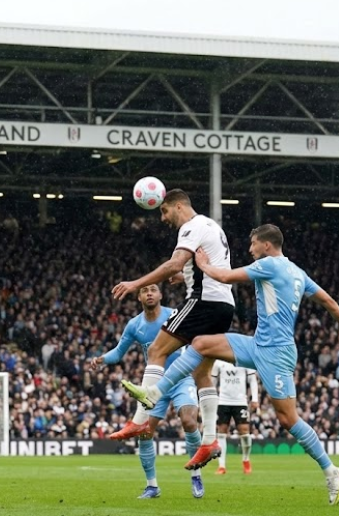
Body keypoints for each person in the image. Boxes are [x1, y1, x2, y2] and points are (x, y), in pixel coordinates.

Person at [128, 224, 339, 504]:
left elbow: (225, 277)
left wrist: (201, 264)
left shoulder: (270, 266)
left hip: (276, 352)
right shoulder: (298, 273)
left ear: (266, 245)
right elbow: (329, 302)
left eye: (253, 244)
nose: (249, 250)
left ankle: (331, 470)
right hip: (257, 344)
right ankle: (155, 391)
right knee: (201, 343)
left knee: (288, 419)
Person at [111, 189, 235, 470]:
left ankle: (138, 421)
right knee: (202, 372)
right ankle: (210, 441)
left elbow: (173, 263)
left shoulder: (191, 226)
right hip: (225, 305)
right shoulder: (212, 226)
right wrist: (188, 275)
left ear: (178, 206)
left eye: (164, 212)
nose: (164, 218)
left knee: (157, 350)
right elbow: (206, 264)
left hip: (204, 302)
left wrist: (135, 284)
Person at [88, 284, 205, 499]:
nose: (149, 293)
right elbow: (118, 353)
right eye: (144, 291)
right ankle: (152, 486)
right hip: (154, 384)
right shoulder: (134, 325)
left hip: (181, 378)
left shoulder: (174, 315)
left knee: (189, 421)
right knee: (144, 432)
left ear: (160, 294)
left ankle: (196, 474)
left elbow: (198, 336)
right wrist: (101, 360)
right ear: (139, 297)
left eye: (153, 289)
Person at [211, 359, 258, 475]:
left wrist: (255, 399)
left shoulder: (245, 359)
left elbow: (253, 380)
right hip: (223, 402)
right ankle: (222, 466)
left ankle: (246, 460)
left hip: (240, 401)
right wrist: (210, 398)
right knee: (221, 432)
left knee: (245, 433)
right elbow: (212, 381)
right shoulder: (218, 362)